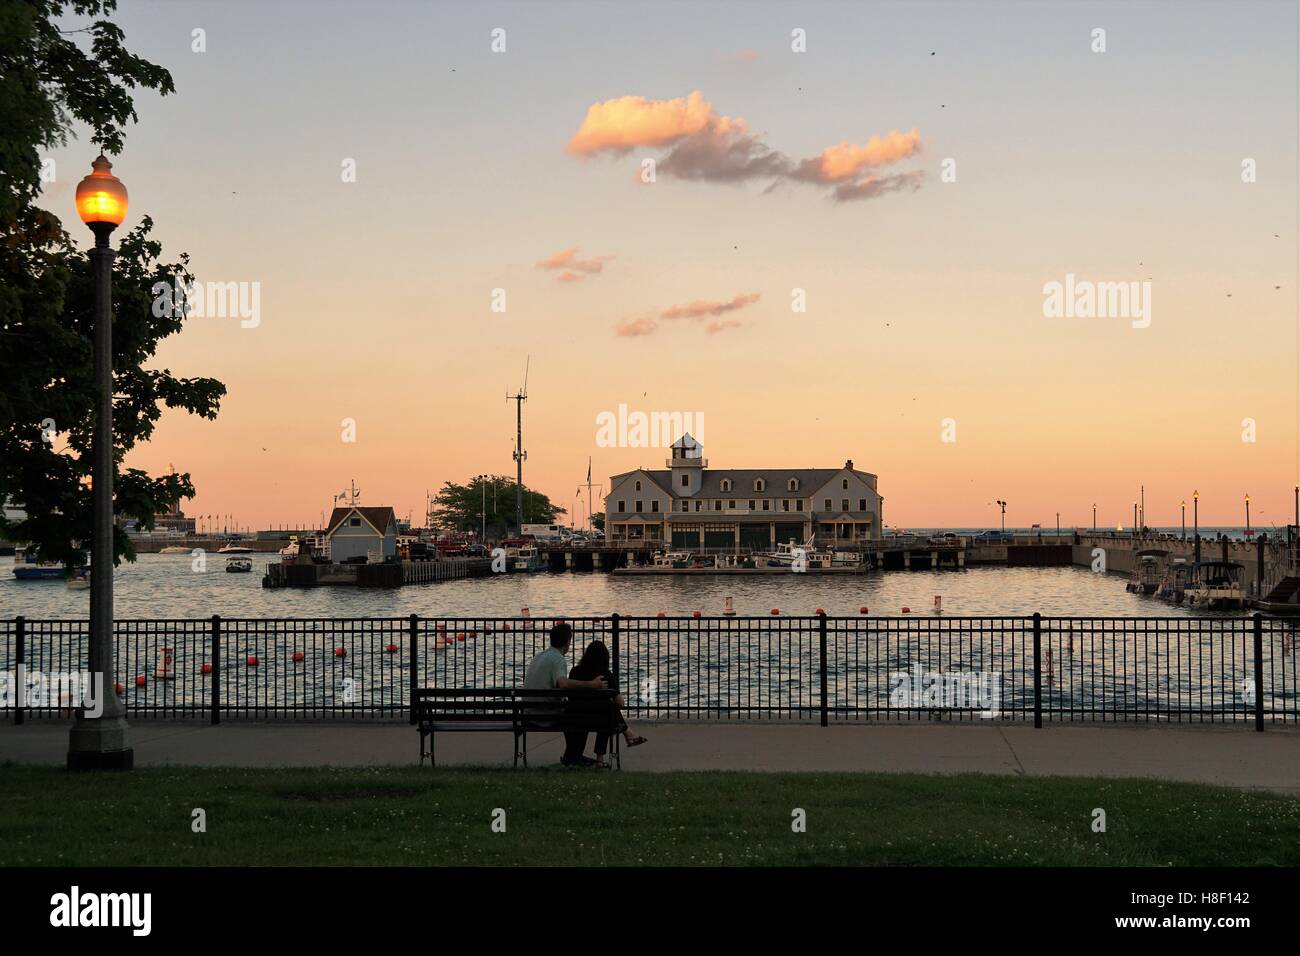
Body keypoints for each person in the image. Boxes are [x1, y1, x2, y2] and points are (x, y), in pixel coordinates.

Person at [523, 622, 606, 767]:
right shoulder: (558, 659)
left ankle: (573, 755)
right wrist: (591, 684)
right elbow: (563, 683)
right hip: (546, 714)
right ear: (568, 642)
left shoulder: (539, 656)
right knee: (581, 714)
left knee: (572, 711)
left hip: (529, 713)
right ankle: (574, 757)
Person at [568, 640, 647, 768]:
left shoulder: (575, 671)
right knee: (609, 711)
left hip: (575, 718)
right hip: (598, 720)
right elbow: (620, 703)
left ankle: (628, 734)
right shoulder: (605, 674)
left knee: (606, 710)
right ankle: (624, 737)